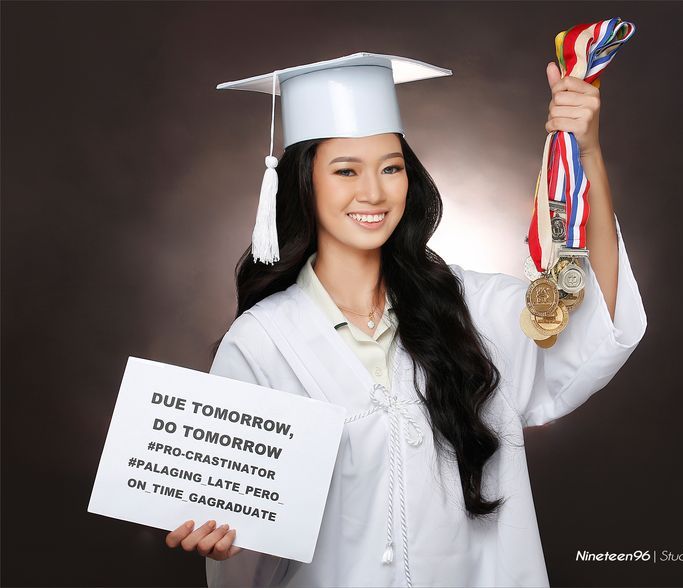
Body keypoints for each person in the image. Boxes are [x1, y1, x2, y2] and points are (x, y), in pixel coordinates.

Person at [164, 52, 647, 587]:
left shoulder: (467, 309)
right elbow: (243, 532)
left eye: (391, 167)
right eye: (346, 170)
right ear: (305, 183)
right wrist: (225, 540)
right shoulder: (262, 343)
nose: (373, 192)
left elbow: (590, 317)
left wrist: (588, 155)